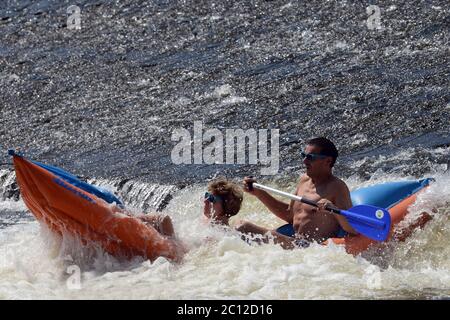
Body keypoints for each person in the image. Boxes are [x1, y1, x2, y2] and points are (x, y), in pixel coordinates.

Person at [237, 137, 358, 249]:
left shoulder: (337, 187)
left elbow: (352, 229)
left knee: (243, 227)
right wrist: (259, 193)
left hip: (311, 247)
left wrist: (333, 209)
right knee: (239, 227)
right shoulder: (304, 180)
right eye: (303, 155)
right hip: (294, 240)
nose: (304, 161)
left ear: (327, 161)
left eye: (311, 157)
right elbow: (289, 215)